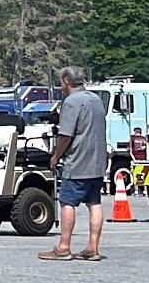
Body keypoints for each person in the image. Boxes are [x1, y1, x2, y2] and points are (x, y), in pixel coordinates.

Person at [39, 66, 108, 261]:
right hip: (97, 161)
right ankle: (93, 247)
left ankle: (63, 246)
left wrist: (55, 156)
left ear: (67, 82)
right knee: (94, 202)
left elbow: (65, 135)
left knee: (67, 202)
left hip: (77, 161)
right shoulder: (96, 100)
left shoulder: (71, 102)